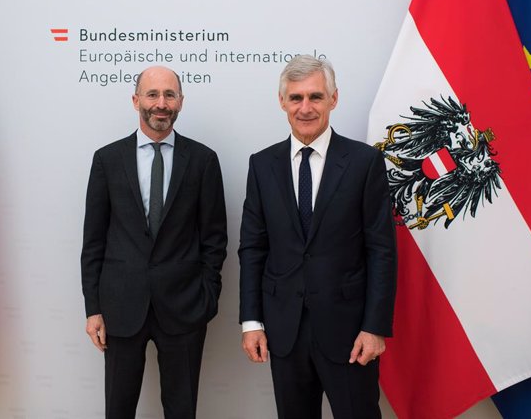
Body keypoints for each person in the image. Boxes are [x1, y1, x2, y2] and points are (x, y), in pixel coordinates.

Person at [238, 55, 397, 419]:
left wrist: (374, 327)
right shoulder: (262, 165)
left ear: (334, 99)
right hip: (284, 331)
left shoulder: (363, 162)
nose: (305, 108)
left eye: (315, 97)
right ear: (282, 102)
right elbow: (253, 248)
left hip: (349, 332)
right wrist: (252, 321)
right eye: (296, 98)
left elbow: (381, 250)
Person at [81, 66, 227, 419]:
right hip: (121, 307)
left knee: (181, 410)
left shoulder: (204, 160)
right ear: (136, 100)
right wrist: (93, 307)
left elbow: (214, 238)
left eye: (169, 95)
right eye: (152, 95)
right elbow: (93, 241)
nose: (161, 104)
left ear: (180, 102)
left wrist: (206, 296)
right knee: (118, 409)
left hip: (184, 308)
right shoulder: (107, 159)